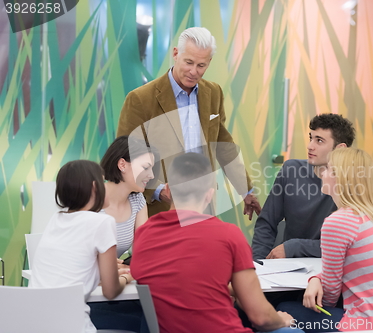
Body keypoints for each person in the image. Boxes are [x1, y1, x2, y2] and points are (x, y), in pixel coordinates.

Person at [131, 153, 302, 333]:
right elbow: (261, 318)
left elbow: (177, 280)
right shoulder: (229, 235)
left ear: (167, 189)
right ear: (210, 195)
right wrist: (281, 319)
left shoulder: (144, 234)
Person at [117, 26, 260, 218]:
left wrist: (246, 191)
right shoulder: (140, 99)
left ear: (209, 62)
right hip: (159, 211)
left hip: (204, 208)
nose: (193, 71)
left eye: (201, 65)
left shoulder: (214, 93)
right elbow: (126, 156)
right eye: (188, 62)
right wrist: (158, 190)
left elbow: (224, 146)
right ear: (176, 54)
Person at [277, 148, 373, 332]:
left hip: (371, 324)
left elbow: (330, 296)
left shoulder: (339, 221)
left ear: (341, 178)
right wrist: (316, 279)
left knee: (283, 308)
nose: (322, 173)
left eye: (329, 169)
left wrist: (316, 283)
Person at [29, 160, 133, 333]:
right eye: (104, 182)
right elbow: (110, 291)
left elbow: (68, 269)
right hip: (72, 327)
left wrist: (99, 274)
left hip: (33, 324)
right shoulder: (103, 222)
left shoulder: (56, 219)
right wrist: (127, 277)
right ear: (94, 187)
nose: (106, 187)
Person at [252, 114, 355, 260]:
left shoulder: (353, 184)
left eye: (319, 141)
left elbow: (347, 244)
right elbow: (266, 224)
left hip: (330, 265)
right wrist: (258, 266)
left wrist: (295, 246)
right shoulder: (291, 170)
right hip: (288, 267)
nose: (310, 146)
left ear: (340, 149)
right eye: (311, 138)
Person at [99, 135, 159, 258]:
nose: (152, 175)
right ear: (122, 165)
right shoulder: (90, 197)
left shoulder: (137, 201)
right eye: (146, 167)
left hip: (114, 275)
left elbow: (142, 249)